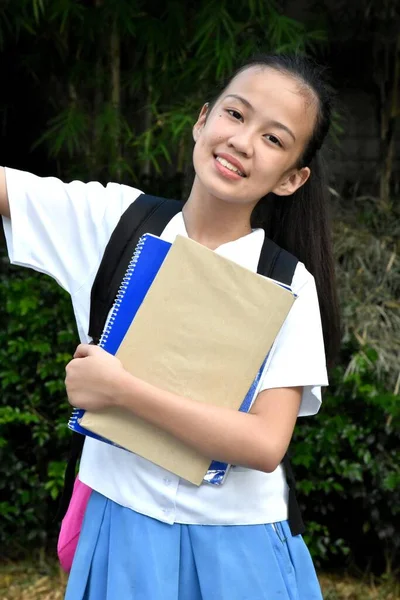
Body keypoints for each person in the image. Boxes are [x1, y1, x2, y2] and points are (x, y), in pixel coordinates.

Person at [0, 53, 340, 599]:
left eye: (274, 139)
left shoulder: (287, 282)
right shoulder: (114, 221)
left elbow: (264, 442)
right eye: (235, 114)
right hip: (119, 531)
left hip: (239, 547)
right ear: (202, 120)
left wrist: (120, 391)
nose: (243, 142)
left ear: (292, 177)